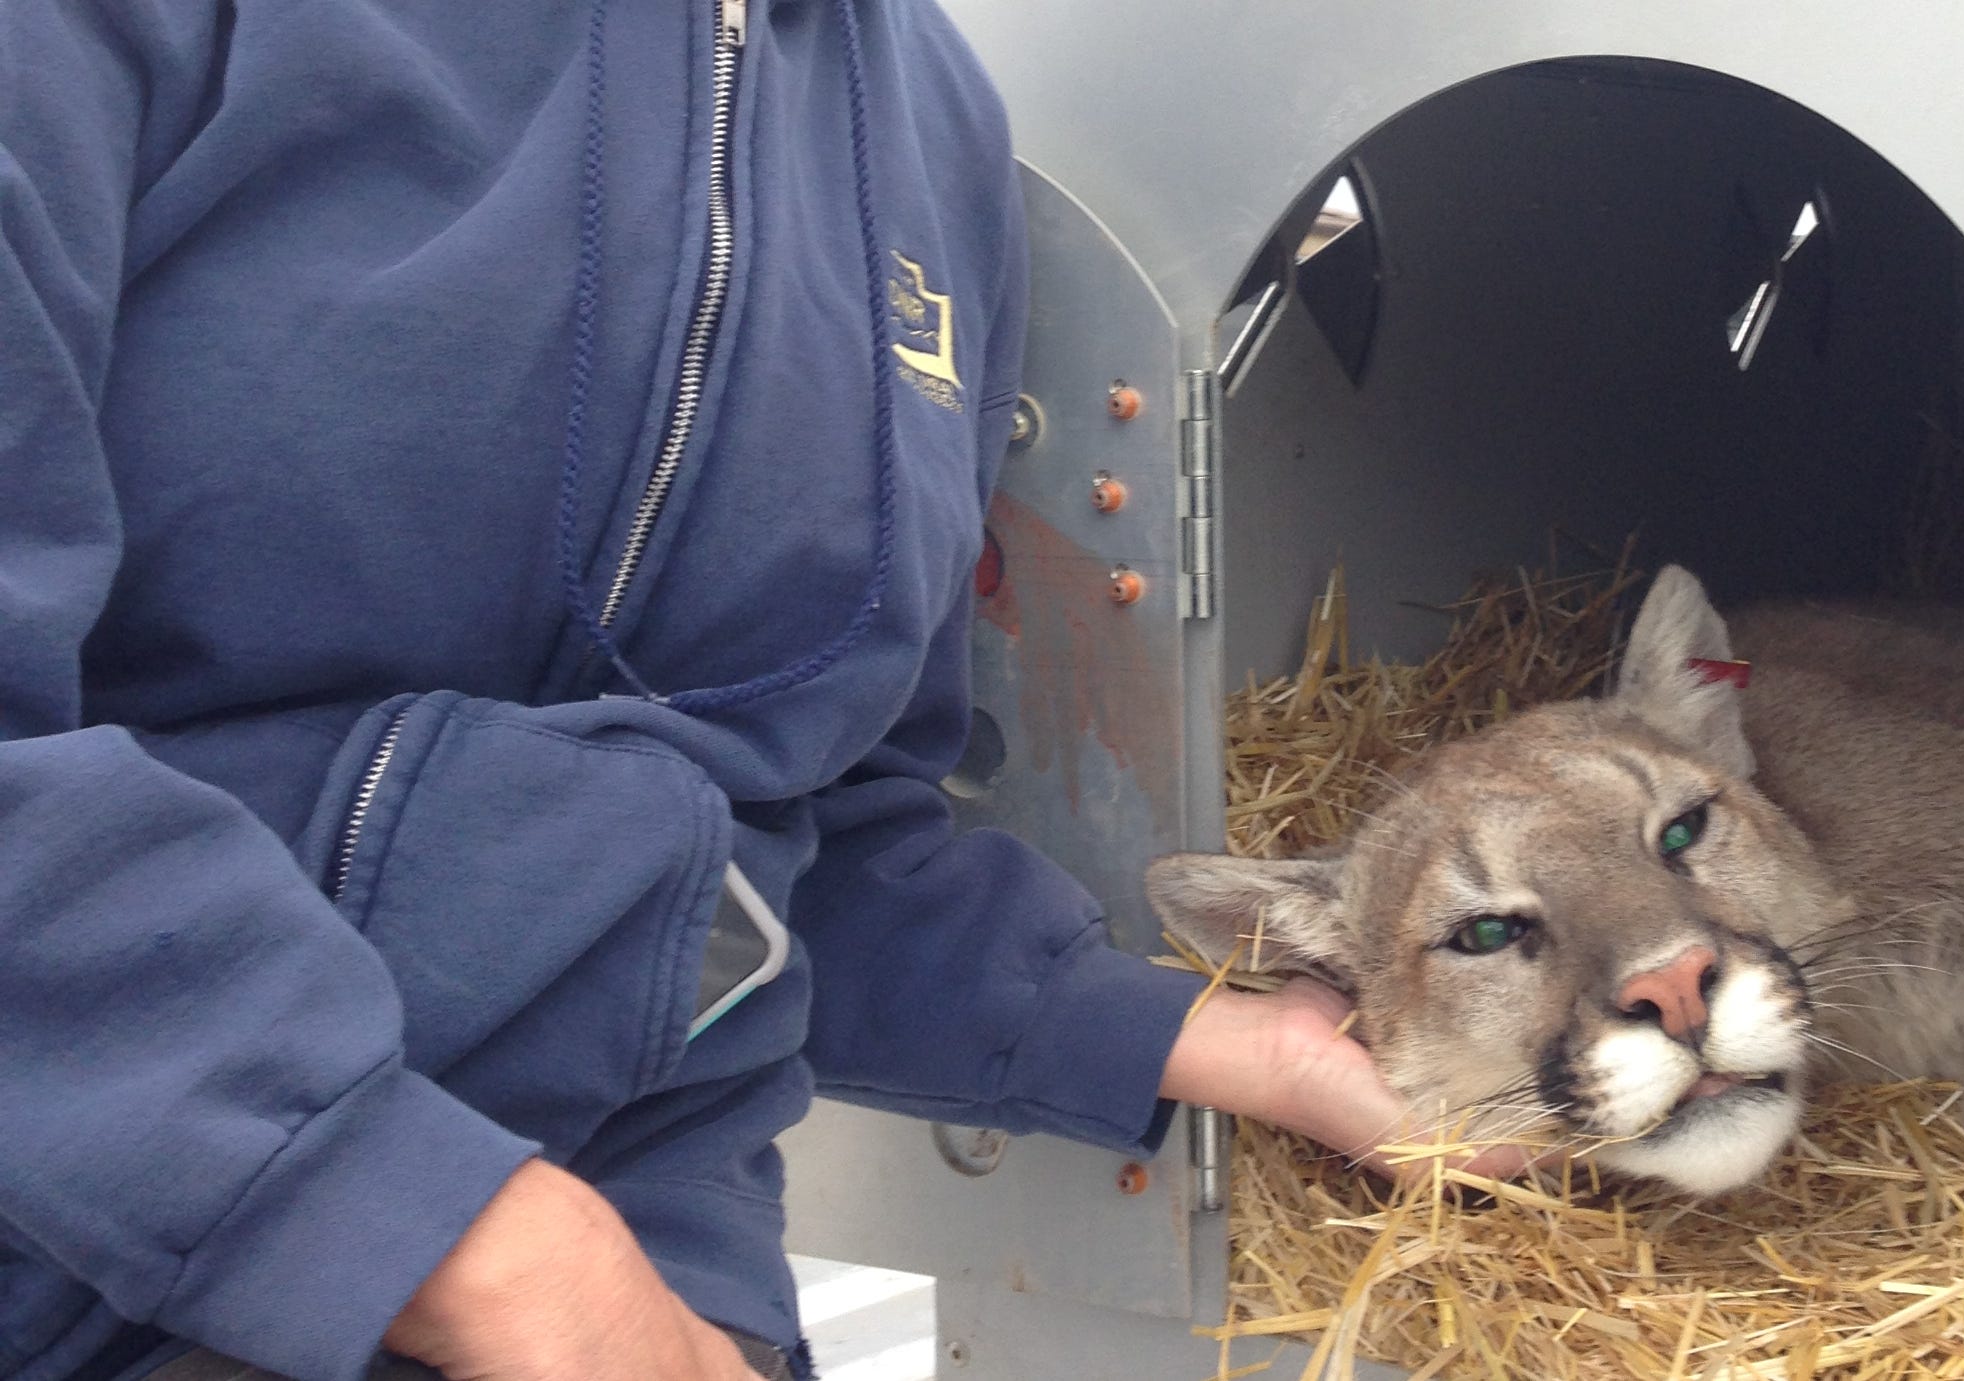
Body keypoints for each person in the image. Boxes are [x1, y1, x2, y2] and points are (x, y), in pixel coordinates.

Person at [0, 3, 1528, 1379]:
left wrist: (1208, 1040)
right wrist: (443, 1229)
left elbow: (800, 832)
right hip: (106, 1258)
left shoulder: (932, 121)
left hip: (658, 1286)